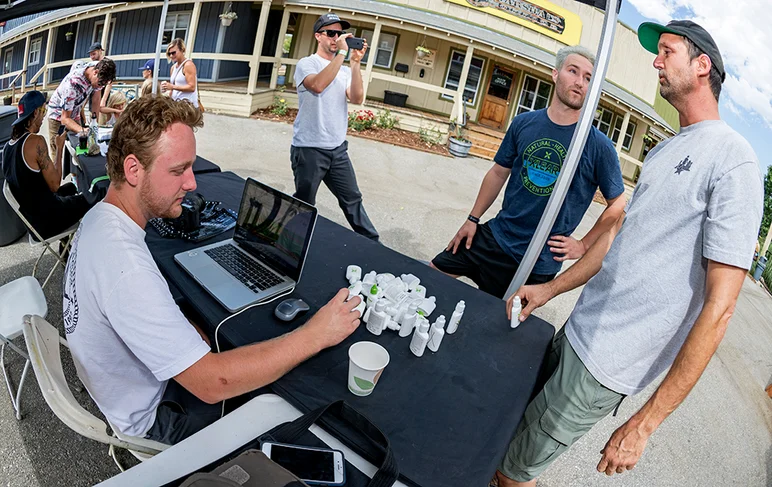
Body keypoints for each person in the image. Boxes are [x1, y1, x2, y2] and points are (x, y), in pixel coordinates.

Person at [493, 20, 763, 487]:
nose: (656, 62)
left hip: (608, 364)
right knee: (506, 438)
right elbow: (618, 243)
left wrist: (645, 423)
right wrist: (551, 289)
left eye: (667, 51)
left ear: (703, 65)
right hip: (578, 332)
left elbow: (721, 308)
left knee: (514, 472)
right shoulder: (664, 151)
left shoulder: (733, 158)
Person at [62, 95, 362, 445]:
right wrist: (316, 334)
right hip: (155, 415)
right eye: (178, 170)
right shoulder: (126, 269)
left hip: (121, 391)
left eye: (191, 167)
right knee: (287, 409)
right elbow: (212, 384)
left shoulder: (101, 216)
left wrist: (180, 327)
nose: (191, 183)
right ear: (133, 169)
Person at [431, 46, 625, 298]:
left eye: (588, 78)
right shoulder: (524, 123)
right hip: (497, 236)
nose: (579, 82)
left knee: (500, 325)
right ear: (555, 74)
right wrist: (472, 219)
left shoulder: (598, 145)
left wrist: (584, 245)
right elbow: (499, 172)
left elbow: (618, 204)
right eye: (573, 71)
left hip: (538, 260)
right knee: (432, 274)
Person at [290, 13, 379, 241]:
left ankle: (374, 245)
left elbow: (357, 98)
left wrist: (356, 63)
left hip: (337, 150)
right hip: (309, 148)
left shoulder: (345, 69)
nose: (336, 38)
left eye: (340, 34)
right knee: (304, 204)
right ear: (318, 36)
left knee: (353, 201)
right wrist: (341, 53)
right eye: (331, 33)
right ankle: (291, 245)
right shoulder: (306, 63)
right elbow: (317, 85)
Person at [2, 91, 93, 239]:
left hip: (33, 221)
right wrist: (59, 148)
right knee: (92, 197)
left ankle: (65, 249)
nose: (44, 116)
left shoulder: (8, 147)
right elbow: (55, 185)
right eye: (44, 110)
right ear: (36, 112)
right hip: (47, 222)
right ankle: (82, 253)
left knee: (71, 187)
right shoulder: (36, 141)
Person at [46, 58, 116, 159]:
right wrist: (82, 130)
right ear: (95, 72)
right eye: (100, 84)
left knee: (79, 148)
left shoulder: (99, 69)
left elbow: (96, 99)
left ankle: (75, 173)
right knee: (57, 151)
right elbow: (65, 118)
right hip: (57, 114)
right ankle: (56, 173)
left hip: (75, 111)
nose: (100, 86)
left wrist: (94, 123)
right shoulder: (72, 84)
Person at [161, 38, 199, 109]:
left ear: (181, 50)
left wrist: (172, 87)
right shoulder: (173, 67)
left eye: (173, 53)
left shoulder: (188, 65)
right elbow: (173, 88)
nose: (171, 56)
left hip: (188, 106)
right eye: (169, 54)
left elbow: (192, 87)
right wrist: (167, 89)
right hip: (176, 105)